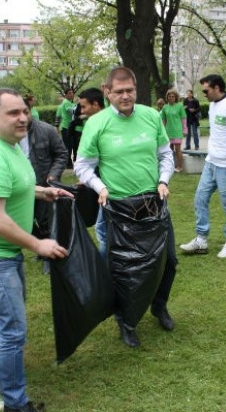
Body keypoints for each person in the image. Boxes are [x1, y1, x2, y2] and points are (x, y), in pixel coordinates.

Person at [0, 88, 71, 412]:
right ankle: (16, 405)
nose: (23, 118)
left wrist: (42, 191)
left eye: (24, 111)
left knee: (6, 311)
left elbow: (14, 185)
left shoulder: (7, 145)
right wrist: (39, 244)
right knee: (13, 329)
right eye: (13, 113)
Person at [74, 66, 176, 348]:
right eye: (119, 91)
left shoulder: (151, 116)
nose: (126, 96)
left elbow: (165, 154)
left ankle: (159, 305)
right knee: (122, 270)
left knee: (168, 261)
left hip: (154, 204)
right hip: (117, 210)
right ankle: (126, 321)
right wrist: (100, 187)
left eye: (130, 90)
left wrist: (163, 180)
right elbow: (82, 166)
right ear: (107, 92)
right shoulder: (97, 123)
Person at [180, 74, 226, 259]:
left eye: (206, 90)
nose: (204, 94)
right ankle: (201, 240)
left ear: (217, 88)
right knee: (200, 199)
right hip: (211, 163)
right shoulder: (212, 105)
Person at [20, 98, 69, 242]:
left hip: (43, 184)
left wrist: (53, 175)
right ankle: (41, 243)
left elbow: (62, 154)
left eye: (26, 112)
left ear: (31, 110)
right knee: (24, 222)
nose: (22, 117)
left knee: (45, 220)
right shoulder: (9, 136)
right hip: (21, 186)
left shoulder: (46, 130)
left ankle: (49, 249)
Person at [160, 89, 187, 172]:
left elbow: (183, 118)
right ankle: (171, 166)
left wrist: (185, 129)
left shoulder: (180, 106)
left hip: (177, 131)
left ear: (176, 97)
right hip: (168, 131)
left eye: (173, 96)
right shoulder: (165, 107)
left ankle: (179, 167)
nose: (171, 98)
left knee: (178, 149)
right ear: (167, 97)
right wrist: (162, 131)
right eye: (169, 96)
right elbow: (163, 119)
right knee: (169, 150)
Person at [54, 88, 76, 167]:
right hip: (66, 127)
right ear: (65, 95)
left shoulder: (70, 102)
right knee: (68, 146)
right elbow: (71, 112)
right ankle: (67, 163)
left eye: (72, 93)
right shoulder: (66, 102)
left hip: (69, 127)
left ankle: (69, 162)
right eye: (69, 93)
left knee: (70, 145)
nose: (71, 94)